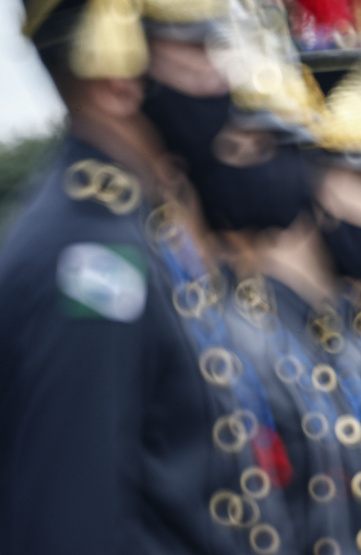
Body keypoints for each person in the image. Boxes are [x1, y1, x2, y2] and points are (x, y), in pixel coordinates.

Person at [1, 0, 319, 552]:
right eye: (197, 50)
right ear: (116, 80)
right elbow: (71, 521)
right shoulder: (92, 257)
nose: (223, 77)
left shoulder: (134, 236)